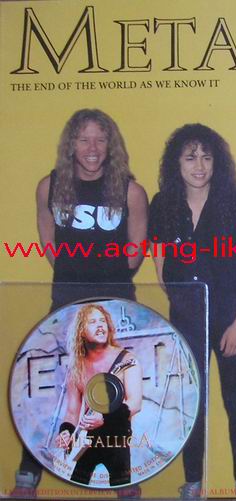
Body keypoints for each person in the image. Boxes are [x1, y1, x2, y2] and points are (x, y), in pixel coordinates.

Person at [13, 109, 148, 498]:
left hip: (115, 304)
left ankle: (123, 477)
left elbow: (135, 256)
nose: (92, 148)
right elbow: (50, 246)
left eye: (100, 139)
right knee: (50, 388)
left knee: (113, 392)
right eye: (84, 139)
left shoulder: (131, 192)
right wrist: (77, 273)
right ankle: (27, 475)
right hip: (66, 302)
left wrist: (101, 268)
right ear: (71, 144)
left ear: (111, 145)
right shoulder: (50, 187)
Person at [148, 124, 236, 499]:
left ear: (217, 162)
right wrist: (181, 302)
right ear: (176, 163)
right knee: (187, 403)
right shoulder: (163, 205)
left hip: (230, 319)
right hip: (185, 321)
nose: (199, 166)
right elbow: (160, 260)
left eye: (206, 157)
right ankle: (193, 481)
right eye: (190, 157)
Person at [55, 303, 142, 486]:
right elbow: (72, 412)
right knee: (77, 487)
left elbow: (135, 404)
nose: (100, 325)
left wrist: (104, 418)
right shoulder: (76, 367)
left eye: (102, 321)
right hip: (88, 440)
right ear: (81, 331)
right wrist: (65, 432)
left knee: (124, 491)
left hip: (116, 439)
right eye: (93, 322)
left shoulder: (127, 359)